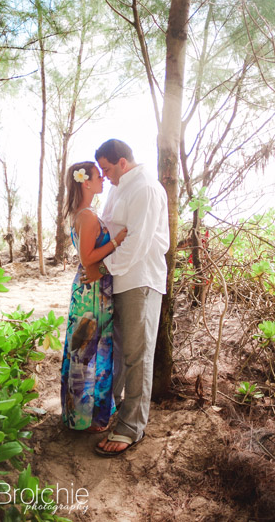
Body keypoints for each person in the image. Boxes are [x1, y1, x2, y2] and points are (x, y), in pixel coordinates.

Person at [84, 139, 170, 457]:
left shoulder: (145, 187)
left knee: (137, 354)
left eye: (106, 169)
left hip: (140, 279)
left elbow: (138, 241)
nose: (103, 176)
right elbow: (109, 229)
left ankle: (132, 427)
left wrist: (103, 267)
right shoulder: (118, 187)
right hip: (118, 280)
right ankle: (110, 412)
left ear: (122, 162)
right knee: (117, 352)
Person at [60, 161, 127, 432]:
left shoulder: (85, 213)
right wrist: (115, 242)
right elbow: (87, 258)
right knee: (88, 352)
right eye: (98, 176)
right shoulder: (86, 215)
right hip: (92, 293)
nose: (103, 179)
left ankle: (83, 416)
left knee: (89, 351)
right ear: (85, 182)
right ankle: (85, 419)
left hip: (94, 289)